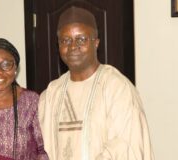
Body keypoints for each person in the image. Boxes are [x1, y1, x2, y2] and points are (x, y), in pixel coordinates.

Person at [38, 6, 154, 160]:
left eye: (81, 39)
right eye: (65, 40)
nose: (73, 46)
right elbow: (44, 149)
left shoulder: (116, 88)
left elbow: (125, 145)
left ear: (96, 42)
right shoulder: (52, 93)